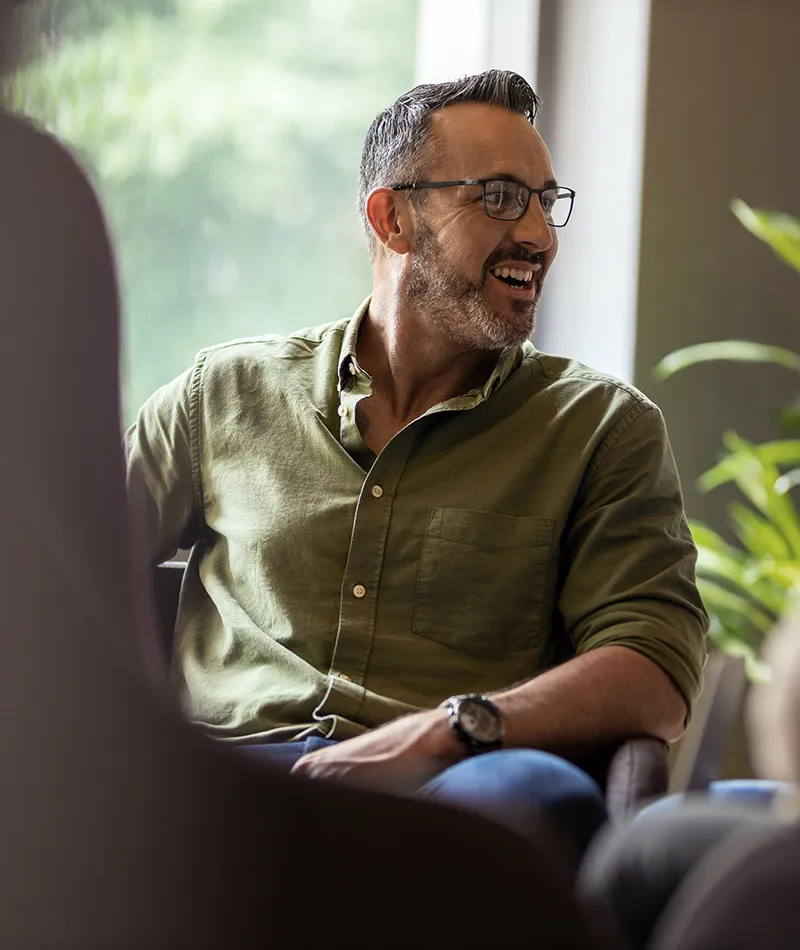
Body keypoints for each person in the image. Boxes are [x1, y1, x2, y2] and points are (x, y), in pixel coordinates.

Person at [127, 69, 708, 855]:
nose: (540, 234)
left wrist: (451, 732)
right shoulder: (222, 393)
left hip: (450, 788)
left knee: (532, 799)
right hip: (219, 785)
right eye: (502, 196)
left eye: (546, 200)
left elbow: (655, 670)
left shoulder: (602, 428)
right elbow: (62, 579)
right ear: (393, 217)